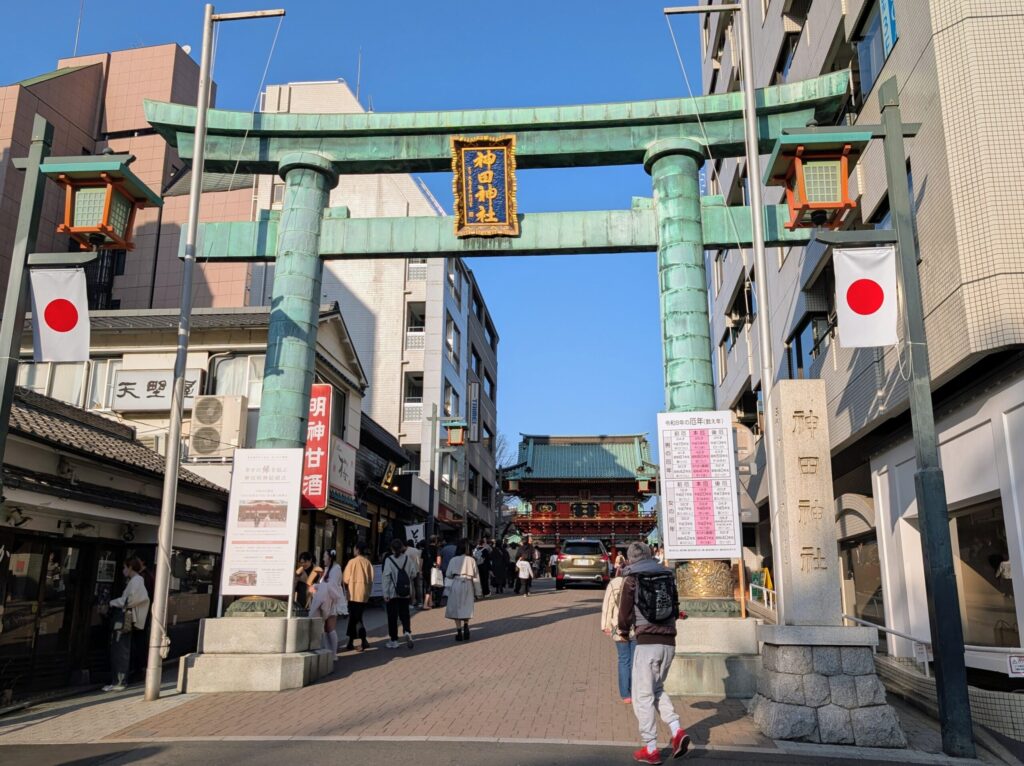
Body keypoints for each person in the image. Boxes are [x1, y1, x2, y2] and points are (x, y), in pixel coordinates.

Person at [618, 542, 689, 763]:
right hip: (669, 642)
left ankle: (650, 748)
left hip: (647, 643)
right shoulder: (667, 575)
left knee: (642, 696)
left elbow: (624, 612)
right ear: (650, 555)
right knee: (656, 689)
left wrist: (623, 631)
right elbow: (674, 606)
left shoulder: (632, 578)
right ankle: (677, 730)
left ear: (630, 558)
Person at [104, 558, 150, 692]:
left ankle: (119, 681)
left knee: (120, 650)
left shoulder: (136, 580)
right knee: (120, 649)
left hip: (124, 618)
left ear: (130, 567)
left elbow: (133, 600)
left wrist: (113, 602)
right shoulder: (136, 580)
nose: (123, 570)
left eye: (125, 567)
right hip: (126, 617)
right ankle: (118, 680)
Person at [602, 569, 636, 704]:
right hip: (636, 626)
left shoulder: (614, 583)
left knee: (623, 660)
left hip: (619, 626)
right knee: (635, 661)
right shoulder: (637, 580)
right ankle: (635, 690)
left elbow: (608, 605)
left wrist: (606, 625)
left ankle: (625, 694)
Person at [382, 539, 417, 649]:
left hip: (392, 592)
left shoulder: (389, 560)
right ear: (402, 548)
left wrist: (385, 593)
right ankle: (407, 631)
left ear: (392, 549)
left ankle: (394, 640)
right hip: (405, 591)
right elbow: (414, 574)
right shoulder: (407, 559)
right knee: (405, 613)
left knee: (392, 616)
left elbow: (386, 577)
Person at [445, 538, 482, 641]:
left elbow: (448, 574)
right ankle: (466, 625)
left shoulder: (453, 560)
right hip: (468, 583)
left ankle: (458, 631)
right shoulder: (471, 560)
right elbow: (476, 577)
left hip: (456, 583)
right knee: (466, 606)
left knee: (456, 607)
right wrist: (478, 592)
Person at [310, 549, 343, 656]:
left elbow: (332, 586)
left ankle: (333, 654)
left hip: (332, 601)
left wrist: (317, 586)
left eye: (324, 556)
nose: (323, 559)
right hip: (326, 600)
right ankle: (329, 652)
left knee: (330, 627)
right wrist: (317, 586)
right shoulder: (329, 568)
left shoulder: (336, 569)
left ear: (329, 557)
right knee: (326, 628)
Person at [342, 543, 374, 652]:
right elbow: (371, 579)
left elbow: (345, 578)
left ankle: (363, 640)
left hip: (353, 594)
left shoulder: (352, 562)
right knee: (355, 618)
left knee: (356, 618)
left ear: (357, 550)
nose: (353, 550)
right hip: (364, 594)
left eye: (354, 549)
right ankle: (351, 642)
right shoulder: (368, 563)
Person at [405, 539, 423, 609]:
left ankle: (412, 602)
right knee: (418, 586)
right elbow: (420, 560)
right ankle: (420, 602)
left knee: (411, 586)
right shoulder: (417, 550)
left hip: (409, 571)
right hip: (417, 570)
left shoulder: (406, 552)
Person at [423, 537, 440, 609]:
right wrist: (437, 568)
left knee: (429, 585)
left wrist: (420, 570)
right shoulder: (437, 549)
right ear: (435, 541)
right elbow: (438, 561)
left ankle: (430, 602)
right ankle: (425, 604)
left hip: (425, 569)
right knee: (429, 587)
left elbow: (421, 561)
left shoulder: (425, 549)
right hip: (433, 570)